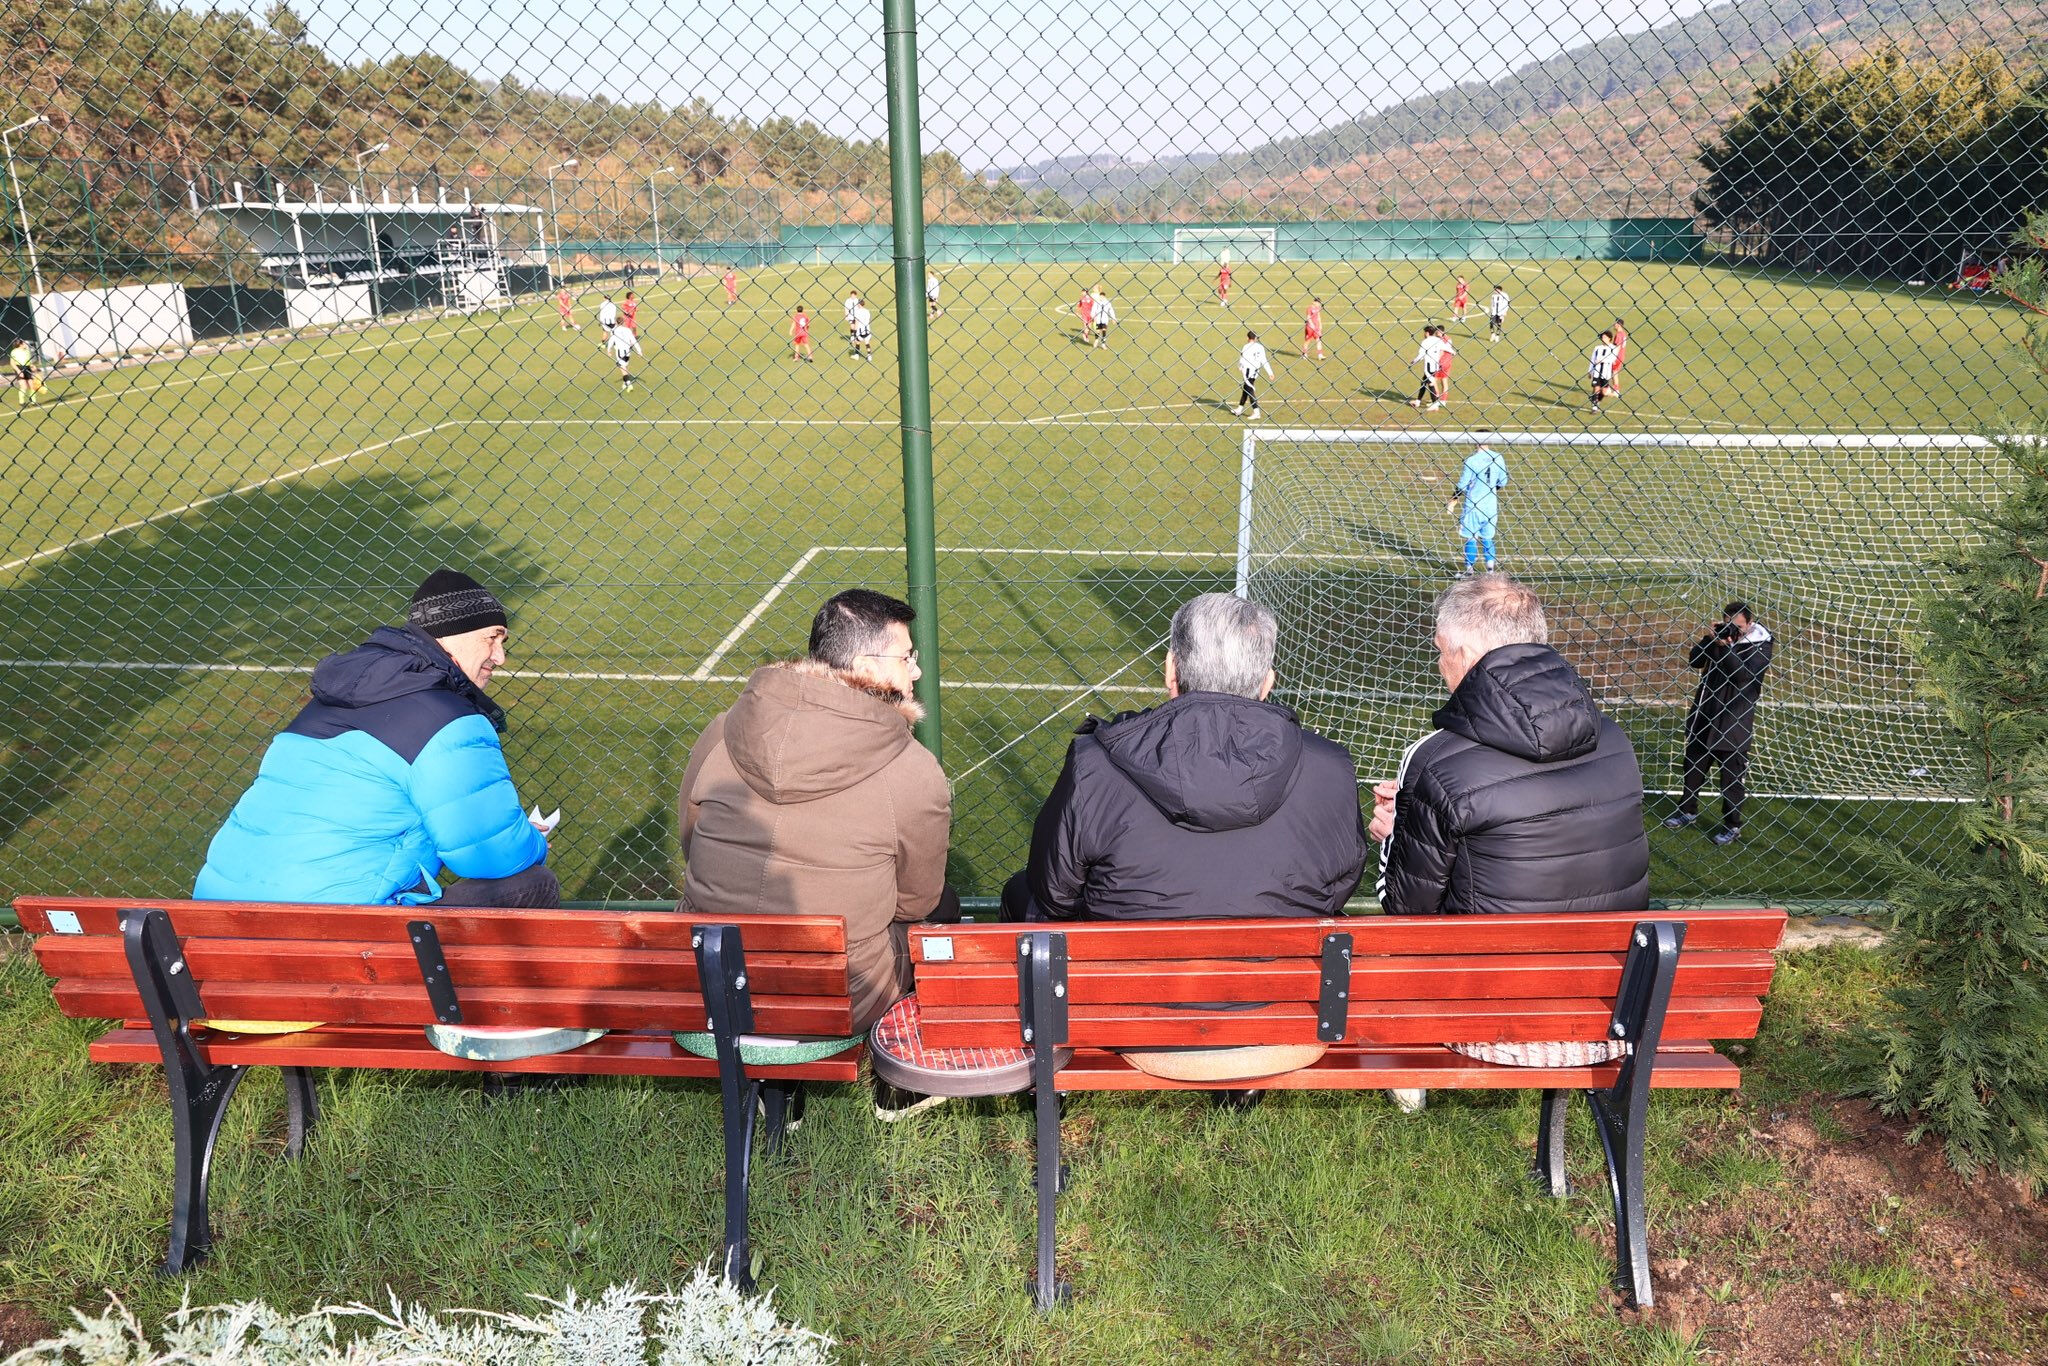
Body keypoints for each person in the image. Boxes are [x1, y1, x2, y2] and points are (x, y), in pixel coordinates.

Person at [1002, 592, 1369, 1091]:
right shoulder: (1330, 766)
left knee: (1020, 896)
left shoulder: (1096, 763)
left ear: (1171, 670)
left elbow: (1053, 891)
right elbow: (1340, 884)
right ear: (1267, 682)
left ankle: (1047, 1074)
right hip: (1284, 1006)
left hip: (1138, 1011)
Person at [1370, 574, 1650, 1108]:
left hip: (1490, 1014)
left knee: (1387, 945)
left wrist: (1393, 833)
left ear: (1467, 654)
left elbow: (1407, 908)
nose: (1439, 666)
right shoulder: (1614, 739)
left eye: (1440, 652)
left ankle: (1410, 1083)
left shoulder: (1436, 760)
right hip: (1605, 1008)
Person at [678, 588, 953, 1041]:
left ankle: (784, 1086)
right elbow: (916, 902)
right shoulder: (914, 770)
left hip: (710, 979)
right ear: (868, 668)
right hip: (839, 996)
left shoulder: (720, 731)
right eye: (907, 657)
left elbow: (691, 841)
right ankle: (898, 1076)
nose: (917, 669)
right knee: (942, 908)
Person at [195, 569, 557, 909]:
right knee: (532, 883)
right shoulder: (447, 718)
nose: (500, 656)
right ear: (451, 635)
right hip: (334, 929)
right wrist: (532, 840)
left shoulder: (325, 704)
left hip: (213, 914)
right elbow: (488, 854)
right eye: (492, 638)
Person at [1665, 602, 1774, 846]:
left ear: (1750, 624)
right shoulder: (1719, 639)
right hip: (1704, 717)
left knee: (1731, 782)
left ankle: (1732, 826)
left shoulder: (1761, 646)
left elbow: (1743, 676)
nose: (1733, 630)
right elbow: (1695, 661)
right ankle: (1687, 811)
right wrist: (1710, 640)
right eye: (1728, 624)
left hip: (1733, 723)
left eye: (1738, 626)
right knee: (1692, 771)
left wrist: (1726, 648)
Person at [1448, 435, 1507, 572]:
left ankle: (1469, 571)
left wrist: (1454, 499)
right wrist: (1490, 490)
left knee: (1471, 538)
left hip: (1473, 506)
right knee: (1488, 538)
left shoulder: (1472, 460)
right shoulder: (1498, 457)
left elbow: (1462, 483)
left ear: (1475, 442)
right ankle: (1491, 571)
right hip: (1491, 507)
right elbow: (1503, 481)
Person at [1233, 329, 1273, 418]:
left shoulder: (1246, 346)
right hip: (1255, 371)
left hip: (1248, 371)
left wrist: (1240, 366)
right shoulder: (1260, 347)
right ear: (1255, 338)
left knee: (1249, 390)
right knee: (1246, 389)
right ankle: (1239, 409)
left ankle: (1256, 411)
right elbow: (1264, 360)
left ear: (1248, 337)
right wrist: (1270, 372)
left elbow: (1242, 358)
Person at [1409, 325, 1445, 411]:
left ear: (1427, 333)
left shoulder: (1425, 341)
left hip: (1430, 366)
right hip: (1435, 365)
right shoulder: (1438, 340)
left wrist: (1414, 361)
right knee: (1424, 381)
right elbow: (1444, 349)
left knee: (1430, 383)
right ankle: (1418, 401)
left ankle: (1434, 404)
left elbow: (1421, 354)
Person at [1588, 330, 1619, 413]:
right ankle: (1594, 406)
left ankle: (1597, 401)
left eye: (1605, 337)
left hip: (1606, 374)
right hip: (1596, 372)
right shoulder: (1597, 348)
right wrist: (1590, 371)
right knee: (1596, 388)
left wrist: (1601, 360)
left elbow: (1612, 359)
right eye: (1602, 337)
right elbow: (1592, 359)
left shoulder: (1613, 348)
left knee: (1604, 392)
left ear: (1609, 338)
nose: (1603, 338)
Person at [607, 319, 642, 388]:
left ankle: (628, 383)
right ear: (624, 322)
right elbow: (633, 340)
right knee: (624, 366)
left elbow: (611, 340)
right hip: (628, 351)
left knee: (622, 367)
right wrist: (639, 350)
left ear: (616, 323)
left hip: (620, 351)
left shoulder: (614, 330)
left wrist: (609, 350)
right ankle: (625, 383)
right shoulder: (628, 330)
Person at [11, 338, 42, 405]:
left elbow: (28, 361)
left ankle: (33, 401)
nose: (26, 344)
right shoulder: (14, 352)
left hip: (27, 368)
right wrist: (18, 371)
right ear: (20, 344)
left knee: (31, 385)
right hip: (19, 368)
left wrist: (32, 366)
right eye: (24, 343)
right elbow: (12, 363)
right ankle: (21, 402)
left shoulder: (26, 351)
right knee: (24, 386)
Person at [1433, 331, 1456, 404]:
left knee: (1433, 381)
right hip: (1448, 362)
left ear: (1440, 331)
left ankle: (1436, 399)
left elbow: (1441, 352)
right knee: (1444, 381)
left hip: (1440, 363)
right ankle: (1443, 401)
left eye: (1437, 332)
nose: (1436, 334)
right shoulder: (1449, 339)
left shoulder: (1439, 341)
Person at [1609, 318, 1628, 394]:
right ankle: (1614, 389)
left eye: (1615, 324)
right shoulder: (1623, 334)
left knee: (1613, 372)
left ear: (1619, 325)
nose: (1614, 325)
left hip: (1617, 356)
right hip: (1621, 355)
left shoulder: (1619, 335)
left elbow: (1618, 346)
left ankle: (1615, 389)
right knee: (1614, 372)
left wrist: (1613, 358)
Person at [844, 289, 863, 354]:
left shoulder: (857, 300)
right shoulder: (848, 300)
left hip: (857, 315)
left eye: (853, 295)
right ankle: (852, 336)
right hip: (851, 315)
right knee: (852, 326)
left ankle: (855, 335)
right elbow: (846, 308)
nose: (852, 296)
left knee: (856, 327)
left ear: (855, 295)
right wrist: (846, 315)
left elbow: (860, 307)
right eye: (851, 295)